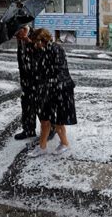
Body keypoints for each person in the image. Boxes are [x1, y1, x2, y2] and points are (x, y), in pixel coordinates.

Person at [27, 28, 77, 157]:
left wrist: (48, 82)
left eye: (36, 42)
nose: (34, 44)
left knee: (59, 121)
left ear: (42, 40)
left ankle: (64, 143)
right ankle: (42, 147)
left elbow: (59, 70)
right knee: (44, 119)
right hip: (47, 89)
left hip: (60, 89)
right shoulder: (40, 50)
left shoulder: (56, 49)